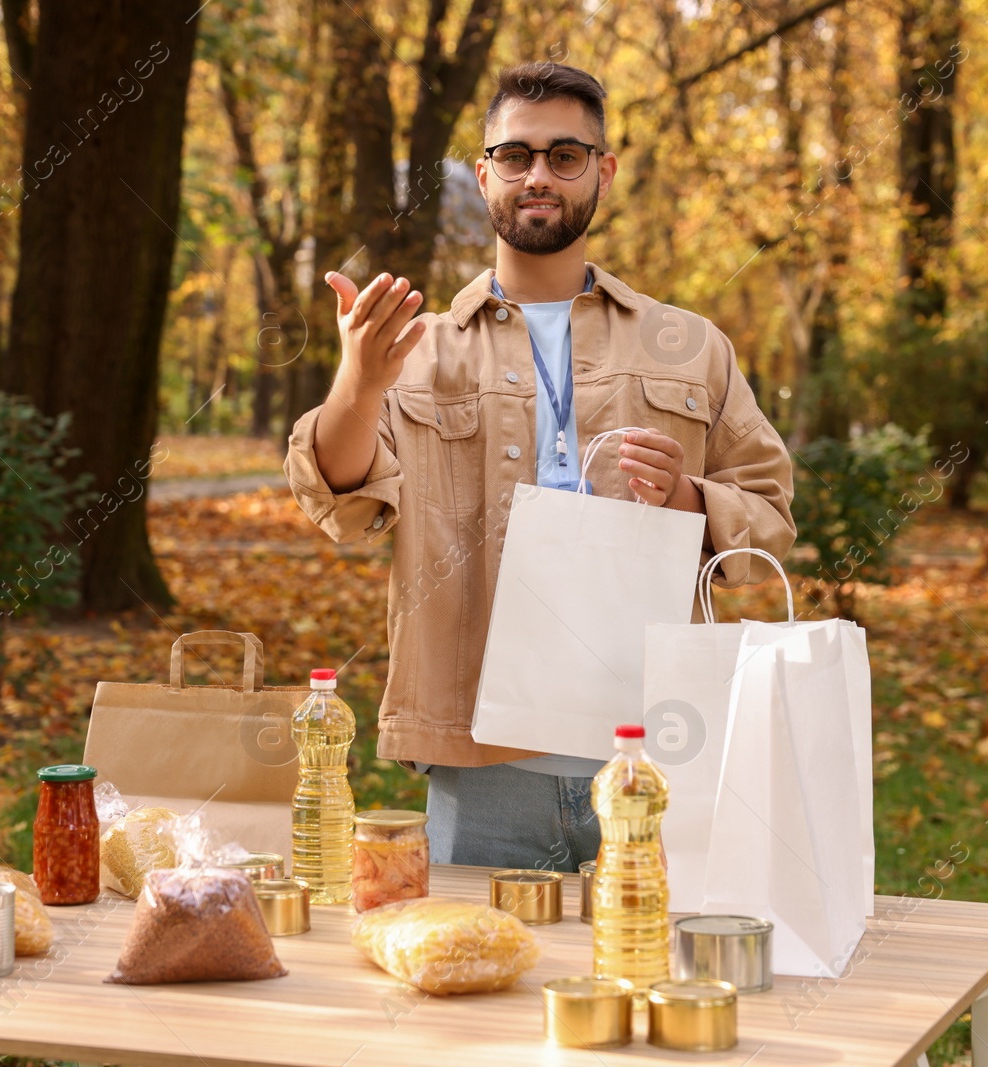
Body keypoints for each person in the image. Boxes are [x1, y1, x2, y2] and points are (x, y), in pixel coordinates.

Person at [284, 62, 795, 873]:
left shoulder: (690, 345)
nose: (538, 176)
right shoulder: (420, 351)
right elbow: (341, 501)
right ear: (485, 173)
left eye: (566, 155)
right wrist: (358, 381)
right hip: (481, 760)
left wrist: (686, 495)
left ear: (604, 170)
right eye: (516, 156)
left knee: (654, 982)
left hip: (657, 750)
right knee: (475, 986)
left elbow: (768, 510)